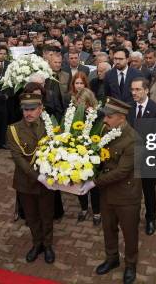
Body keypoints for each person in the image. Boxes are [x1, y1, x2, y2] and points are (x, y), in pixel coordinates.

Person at [80, 97, 141, 284]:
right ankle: (112, 258)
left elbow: (122, 172)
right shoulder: (106, 129)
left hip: (126, 194)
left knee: (129, 233)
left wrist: (94, 183)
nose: (104, 120)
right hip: (107, 192)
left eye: (109, 116)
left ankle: (130, 265)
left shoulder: (133, 140)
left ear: (121, 118)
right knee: (108, 228)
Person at [7, 93, 55, 264]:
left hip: (47, 181)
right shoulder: (13, 129)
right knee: (32, 216)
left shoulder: (50, 126)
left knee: (47, 214)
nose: (28, 113)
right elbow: (18, 158)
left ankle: (48, 245)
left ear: (41, 109)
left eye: (32, 109)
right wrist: (37, 177)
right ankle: (37, 244)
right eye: (25, 109)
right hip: (25, 181)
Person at [128, 77, 156, 236]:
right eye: (132, 89)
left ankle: (151, 218)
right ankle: (133, 216)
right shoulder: (128, 108)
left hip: (149, 158)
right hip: (131, 158)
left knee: (149, 191)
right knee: (132, 190)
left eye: (137, 89)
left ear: (146, 90)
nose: (134, 93)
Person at [69, 72, 100, 224]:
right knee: (79, 180)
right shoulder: (72, 108)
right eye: (79, 103)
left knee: (93, 183)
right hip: (77, 150)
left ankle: (97, 212)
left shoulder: (97, 113)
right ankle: (83, 208)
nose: (82, 105)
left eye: (84, 103)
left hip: (92, 151)